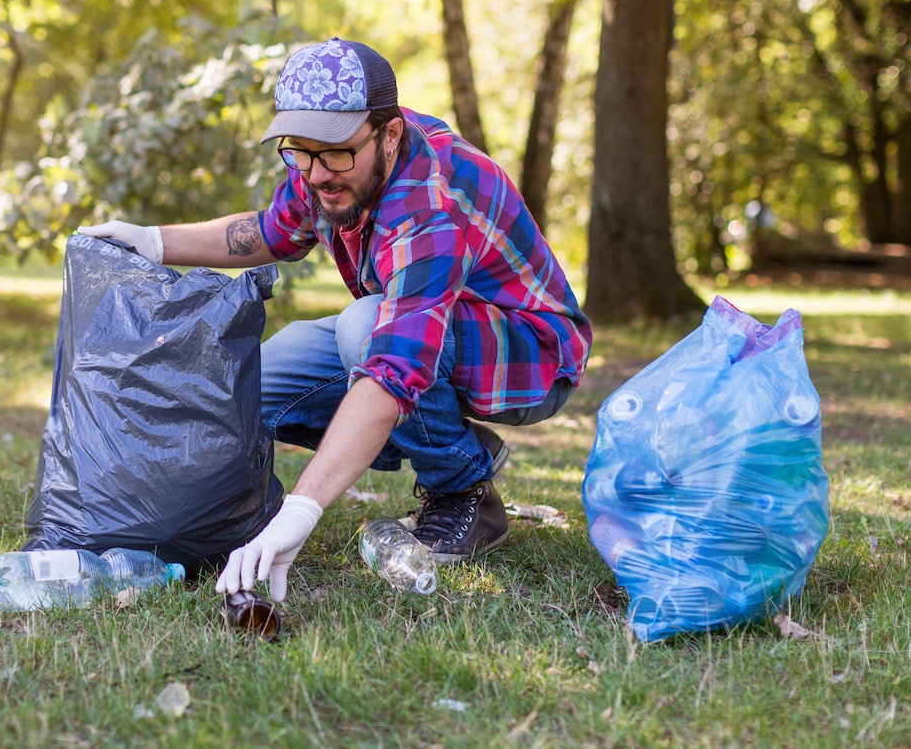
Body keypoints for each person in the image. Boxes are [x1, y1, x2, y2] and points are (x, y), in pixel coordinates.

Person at [79, 37, 592, 601]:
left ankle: (463, 489)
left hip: (528, 354)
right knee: (250, 389)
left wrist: (302, 509)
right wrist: (151, 241)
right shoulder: (335, 161)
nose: (318, 174)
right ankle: (450, 445)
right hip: (420, 331)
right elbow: (270, 231)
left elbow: (394, 366)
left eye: (335, 153)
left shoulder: (428, 204)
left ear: (389, 134)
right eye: (299, 152)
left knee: (365, 329)